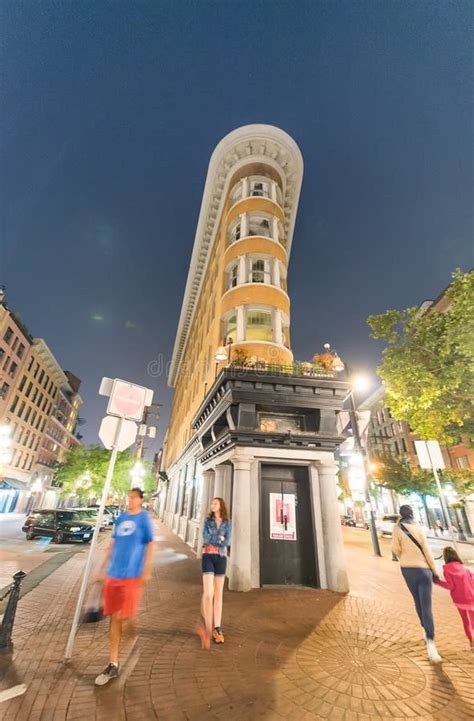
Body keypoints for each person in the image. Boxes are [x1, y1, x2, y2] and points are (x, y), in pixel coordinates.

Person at [95, 488, 154, 685]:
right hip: (114, 573)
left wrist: (147, 569)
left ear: (140, 499)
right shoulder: (120, 519)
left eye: (133, 497)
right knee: (114, 618)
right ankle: (113, 663)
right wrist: (102, 568)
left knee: (124, 616)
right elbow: (112, 544)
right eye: (128, 497)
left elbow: (150, 544)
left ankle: (131, 624)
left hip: (132, 574)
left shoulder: (144, 519)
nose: (130, 500)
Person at [392, 504, 442, 663]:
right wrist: (434, 570)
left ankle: (424, 629)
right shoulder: (419, 529)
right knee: (427, 605)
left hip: (407, 569)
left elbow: (395, 549)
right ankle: (431, 642)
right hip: (423, 570)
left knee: (417, 601)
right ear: (412, 514)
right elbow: (427, 551)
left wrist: (404, 558)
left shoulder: (397, 528)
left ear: (401, 515)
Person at [197, 497, 231, 649]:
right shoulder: (207, 521)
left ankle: (217, 628)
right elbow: (205, 537)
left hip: (221, 558)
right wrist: (219, 538)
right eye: (211, 503)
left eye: (215, 503)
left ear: (220, 506)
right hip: (208, 557)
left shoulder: (227, 523)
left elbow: (227, 541)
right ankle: (207, 627)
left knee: (219, 594)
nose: (212, 505)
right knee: (208, 593)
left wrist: (216, 539)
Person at [435, 546, 474, 652]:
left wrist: (437, 581)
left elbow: (450, 586)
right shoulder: (465, 568)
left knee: (465, 621)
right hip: (471, 598)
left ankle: (471, 644)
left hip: (459, 600)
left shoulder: (447, 570)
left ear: (446, 558)